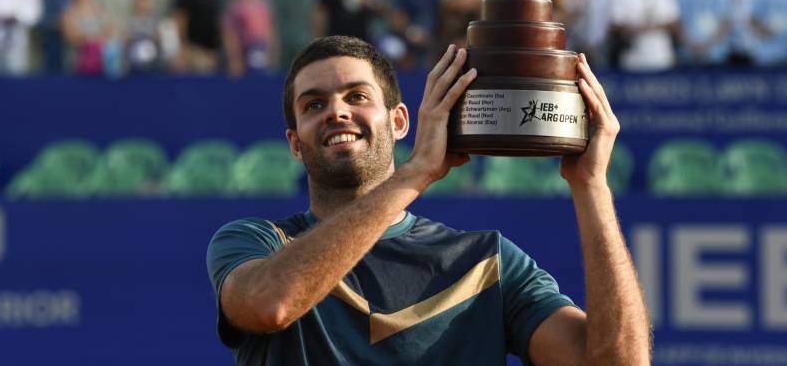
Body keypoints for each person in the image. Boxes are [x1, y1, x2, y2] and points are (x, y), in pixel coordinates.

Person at [206, 36, 650, 365]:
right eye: (313, 105)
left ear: (399, 121)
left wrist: (591, 185)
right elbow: (270, 305)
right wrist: (416, 172)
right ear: (295, 144)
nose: (336, 112)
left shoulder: (487, 263)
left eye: (357, 96)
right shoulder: (257, 243)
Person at [615, 0, 680, 72]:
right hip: (634, 54)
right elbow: (617, 24)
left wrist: (650, 27)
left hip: (660, 54)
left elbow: (674, 23)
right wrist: (635, 28)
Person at [222, 0, 278, 76]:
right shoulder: (234, 7)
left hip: (261, 51)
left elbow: (269, 32)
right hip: (244, 54)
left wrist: (271, 55)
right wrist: (235, 59)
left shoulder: (263, 6)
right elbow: (230, 35)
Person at [60, 0, 115, 75]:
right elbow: (71, 37)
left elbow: (109, 32)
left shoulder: (100, 10)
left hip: (100, 61)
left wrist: (96, 40)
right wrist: (89, 40)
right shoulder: (69, 12)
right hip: (78, 62)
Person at [124, 0, 163, 73]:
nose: (142, 4)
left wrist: (155, 38)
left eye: (145, 1)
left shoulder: (155, 20)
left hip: (151, 54)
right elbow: (126, 38)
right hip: (134, 54)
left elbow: (158, 38)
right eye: (140, 1)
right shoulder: (131, 20)